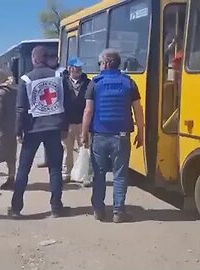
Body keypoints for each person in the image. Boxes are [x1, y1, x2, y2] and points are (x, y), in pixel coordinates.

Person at [81, 49, 145, 223]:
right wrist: (141, 132)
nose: (100, 66)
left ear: (107, 63)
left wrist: (84, 134)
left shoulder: (95, 83)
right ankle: (118, 212)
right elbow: (138, 110)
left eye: (100, 63)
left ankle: (99, 210)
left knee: (99, 173)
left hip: (100, 135)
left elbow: (88, 111)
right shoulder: (128, 82)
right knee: (120, 174)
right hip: (122, 135)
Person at [10, 45, 70, 218]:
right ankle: (56, 207)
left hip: (32, 129)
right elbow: (67, 104)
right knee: (55, 169)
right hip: (54, 128)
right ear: (47, 58)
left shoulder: (26, 79)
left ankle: (16, 208)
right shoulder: (59, 76)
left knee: (23, 169)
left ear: (34, 59)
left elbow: (21, 108)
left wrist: (18, 131)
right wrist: (64, 127)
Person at [61, 57, 91, 185]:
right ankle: (66, 173)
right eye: (76, 67)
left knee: (84, 149)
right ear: (70, 68)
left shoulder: (88, 83)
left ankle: (85, 176)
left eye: (80, 67)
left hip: (83, 123)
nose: (78, 69)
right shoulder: (62, 82)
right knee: (67, 150)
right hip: (67, 122)